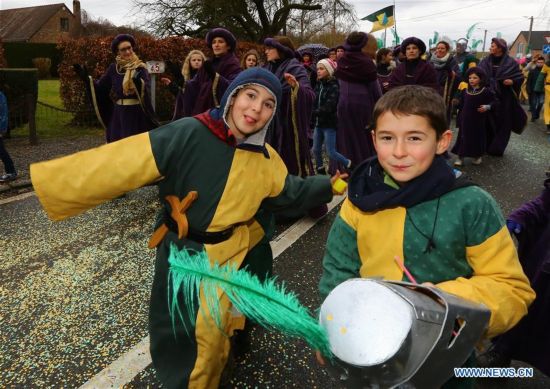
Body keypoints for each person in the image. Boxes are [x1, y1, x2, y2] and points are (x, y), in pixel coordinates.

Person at [30, 67, 345, 389]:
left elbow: (288, 191)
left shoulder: (265, 159)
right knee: (184, 334)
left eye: (268, 104)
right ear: (233, 96)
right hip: (185, 254)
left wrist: (326, 186)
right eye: (250, 96)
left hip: (230, 253)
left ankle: (217, 365)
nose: (255, 109)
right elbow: (121, 162)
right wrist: (54, 183)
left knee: (213, 331)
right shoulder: (190, 132)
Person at [319, 85, 535, 387]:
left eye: (415, 138)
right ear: (373, 140)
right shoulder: (359, 199)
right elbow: (338, 273)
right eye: (387, 138)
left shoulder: (471, 204)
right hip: (370, 351)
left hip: (446, 361)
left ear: (442, 141)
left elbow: (511, 288)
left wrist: (441, 304)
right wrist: (329, 328)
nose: (398, 152)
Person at [477, 177, 550, 378]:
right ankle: (501, 354)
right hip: (542, 270)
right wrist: (521, 217)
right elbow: (544, 204)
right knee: (526, 312)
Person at [73, 34, 157, 143]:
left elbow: (147, 89)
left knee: (135, 147)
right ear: (118, 52)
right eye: (123, 49)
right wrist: (87, 79)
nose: (127, 52)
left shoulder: (140, 68)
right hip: (119, 115)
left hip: (136, 115)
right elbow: (101, 88)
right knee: (118, 146)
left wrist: (139, 84)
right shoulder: (113, 69)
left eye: (129, 48)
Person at [263, 36, 316, 178]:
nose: (266, 51)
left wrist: (296, 87)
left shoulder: (294, 67)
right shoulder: (266, 68)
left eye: (270, 48)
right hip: (268, 126)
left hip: (288, 129)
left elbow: (310, 95)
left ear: (281, 50)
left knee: (288, 165)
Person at [334, 31, 381, 169]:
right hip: (363, 106)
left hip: (342, 105)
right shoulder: (367, 63)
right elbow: (375, 89)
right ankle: (365, 168)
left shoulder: (342, 60)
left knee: (345, 139)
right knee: (363, 140)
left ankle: (344, 167)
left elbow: (338, 83)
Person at [478, 38, 526, 156]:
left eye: (493, 46)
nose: (490, 47)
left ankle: (497, 148)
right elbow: (477, 74)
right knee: (487, 121)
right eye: (491, 45)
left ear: (500, 48)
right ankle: (485, 145)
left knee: (503, 123)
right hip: (488, 95)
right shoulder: (484, 61)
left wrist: (513, 81)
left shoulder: (511, 63)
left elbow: (519, 77)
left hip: (505, 98)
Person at [181, 27, 242, 117]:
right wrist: (183, 83)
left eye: (220, 42)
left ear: (228, 46)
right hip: (201, 112)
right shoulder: (208, 63)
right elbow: (195, 84)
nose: (216, 45)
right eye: (214, 42)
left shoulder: (233, 65)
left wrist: (215, 76)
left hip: (219, 115)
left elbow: (233, 89)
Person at [312, 59, 352, 174]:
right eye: (317, 69)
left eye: (321, 69)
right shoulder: (319, 84)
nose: (318, 71)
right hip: (318, 124)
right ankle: (320, 171)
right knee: (316, 149)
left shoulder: (334, 85)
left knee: (331, 152)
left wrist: (314, 112)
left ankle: (349, 164)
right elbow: (314, 100)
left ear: (329, 70)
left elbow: (330, 106)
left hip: (329, 124)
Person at [452, 67, 496, 166]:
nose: (471, 80)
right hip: (465, 119)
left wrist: (488, 106)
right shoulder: (465, 91)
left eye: (475, 78)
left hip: (478, 120)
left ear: (481, 78)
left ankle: (477, 156)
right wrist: (456, 103)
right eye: (470, 78)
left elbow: (495, 102)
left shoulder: (486, 91)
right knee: (463, 137)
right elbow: (462, 104)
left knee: (477, 138)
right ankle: (460, 157)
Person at [161, 50, 206, 120]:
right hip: (186, 113)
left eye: (199, 60)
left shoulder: (206, 76)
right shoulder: (186, 77)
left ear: (203, 62)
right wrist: (171, 85)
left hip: (201, 111)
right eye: (194, 60)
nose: (196, 62)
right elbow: (181, 95)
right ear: (189, 62)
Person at [430, 41, 459, 123]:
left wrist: (451, 74)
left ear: (447, 50)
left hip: (445, 94)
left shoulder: (451, 61)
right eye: (438, 48)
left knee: (443, 118)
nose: (440, 50)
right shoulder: (431, 61)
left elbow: (457, 77)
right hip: (432, 93)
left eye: (442, 48)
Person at [0, 89, 17, 183]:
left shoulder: (0, 96)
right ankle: (11, 172)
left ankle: (11, 172)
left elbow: (3, 113)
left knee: (1, 150)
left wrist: (2, 128)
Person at [526, 56, 545, 122]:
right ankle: (533, 116)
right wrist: (528, 89)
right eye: (538, 62)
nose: (540, 63)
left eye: (541, 62)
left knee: (541, 103)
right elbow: (529, 81)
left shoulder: (545, 71)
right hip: (533, 89)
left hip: (542, 90)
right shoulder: (532, 71)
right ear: (536, 63)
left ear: (544, 63)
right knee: (533, 103)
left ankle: (537, 113)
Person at [534, 55, 550, 134]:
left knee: (548, 107)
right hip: (548, 87)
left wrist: (537, 88)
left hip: (548, 87)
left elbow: (541, 77)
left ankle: (549, 127)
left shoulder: (547, 64)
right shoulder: (546, 64)